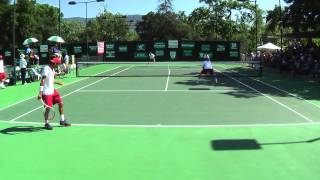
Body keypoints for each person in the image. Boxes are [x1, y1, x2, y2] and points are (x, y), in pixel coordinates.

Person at [37, 56, 71, 130]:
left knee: (61, 103)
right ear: (55, 63)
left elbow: (50, 79)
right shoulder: (46, 69)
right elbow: (42, 80)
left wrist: (58, 82)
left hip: (53, 90)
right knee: (48, 108)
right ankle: (46, 123)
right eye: (58, 64)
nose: (58, 66)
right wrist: (40, 92)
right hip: (46, 92)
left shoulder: (52, 69)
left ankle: (62, 120)